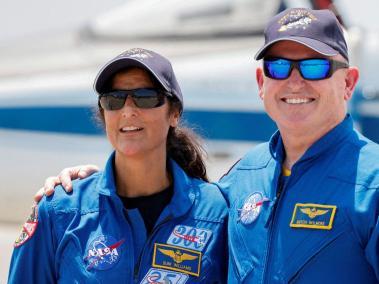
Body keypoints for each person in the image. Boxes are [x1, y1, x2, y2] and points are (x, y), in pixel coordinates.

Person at [31, 8, 379, 283]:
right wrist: (93, 188)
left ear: (348, 83)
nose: (295, 81)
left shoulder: (372, 184)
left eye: (315, 67)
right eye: (278, 67)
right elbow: (181, 204)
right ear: (262, 82)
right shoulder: (243, 178)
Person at [8, 48, 228, 283]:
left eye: (145, 97)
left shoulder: (216, 212)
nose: (128, 110)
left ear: (174, 113)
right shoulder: (60, 211)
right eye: (114, 100)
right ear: (104, 115)